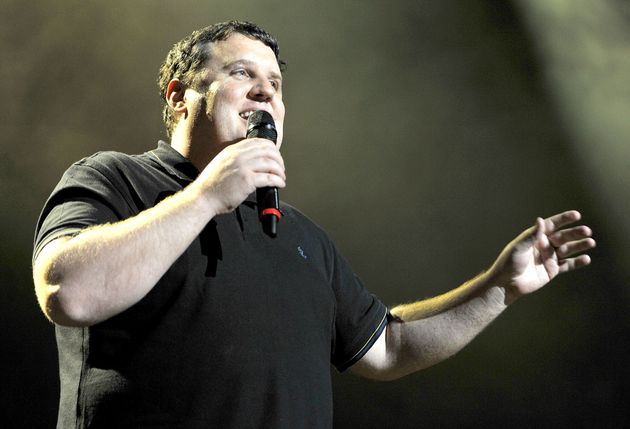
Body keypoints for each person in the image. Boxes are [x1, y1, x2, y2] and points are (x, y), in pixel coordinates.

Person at [32, 21, 596, 428]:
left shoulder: (301, 236)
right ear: (180, 98)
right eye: (240, 73)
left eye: (276, 84)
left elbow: (388, 348)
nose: (266, 92)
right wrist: (206, 195)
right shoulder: (117, 180)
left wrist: (499, 288)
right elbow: (67, 290)